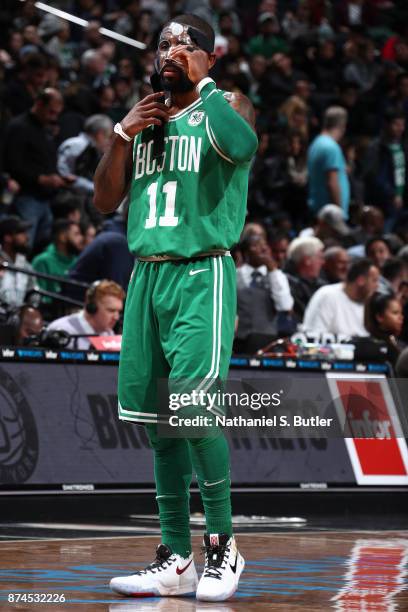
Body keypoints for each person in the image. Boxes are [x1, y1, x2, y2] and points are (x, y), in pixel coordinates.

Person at [93, 14, 258, 602]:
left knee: (189, 409)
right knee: (161, 428)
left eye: (187, 44)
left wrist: (203, 86)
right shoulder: (144, 119)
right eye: (165, 43)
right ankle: (176, 557)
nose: (173, 49)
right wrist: (122, 132)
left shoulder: (228, 103)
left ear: (210, 59)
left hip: (199, 271)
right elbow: (103, 199)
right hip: (146, 277)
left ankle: (223, 547)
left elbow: (243, 147)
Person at [3, 88, 71, 248]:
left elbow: (45, 162)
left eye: (57, 113)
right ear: (40, 104)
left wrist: (59, 177)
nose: (54, 117)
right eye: (51, 112)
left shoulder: (45, 129)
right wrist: (40, 178)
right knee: (23, 244)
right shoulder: (19, 127)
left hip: (45, 199)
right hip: (26, 196)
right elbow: (12, 163)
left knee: (40, 246)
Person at [304, 258, 380, 338]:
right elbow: (314, 335)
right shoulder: (327, 295)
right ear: (360, 280)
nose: (377, 286)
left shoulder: (370, 301)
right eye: (374, 280)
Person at [47, 279, 124, 350]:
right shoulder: (62, 330)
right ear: (92, 307)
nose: (116, 317)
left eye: (118, 312)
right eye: (111, 310)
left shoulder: (108, 334)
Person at [307, 106, 350, 219]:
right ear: (342, 125)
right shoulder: (331, 147)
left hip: (318, 209)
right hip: (331, 216)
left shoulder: (316, 143)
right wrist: (338, 212)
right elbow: (332, 182)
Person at [57, 114, 113, 196]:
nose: (109, 142)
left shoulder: (92, 149)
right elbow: (65, 176)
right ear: (100, 135)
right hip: (61, 197)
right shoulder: (77, 145)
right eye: (108, 137)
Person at [32, 220, 83, 294]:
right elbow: (39, 296)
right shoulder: (42, 261)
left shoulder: (78, 261)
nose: (81, 238)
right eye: (76, 234)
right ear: (62, 237)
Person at [0, 215, 37, 308]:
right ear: (8, 237)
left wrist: (29, 309)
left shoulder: (25, 266)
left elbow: (34, 295)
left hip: (17, 318)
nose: (27, 237)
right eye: (22, 233)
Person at [286, 236, 325, 321]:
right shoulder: (287, 285)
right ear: (307, 260)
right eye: (320, 258)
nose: (322, 262)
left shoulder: (322, 285)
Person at [364, 291, 404, 365]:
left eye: (401, 313)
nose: (401, 317)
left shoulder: (399, 343)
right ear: (379, 317)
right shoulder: (373, 347)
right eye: (395, 313)